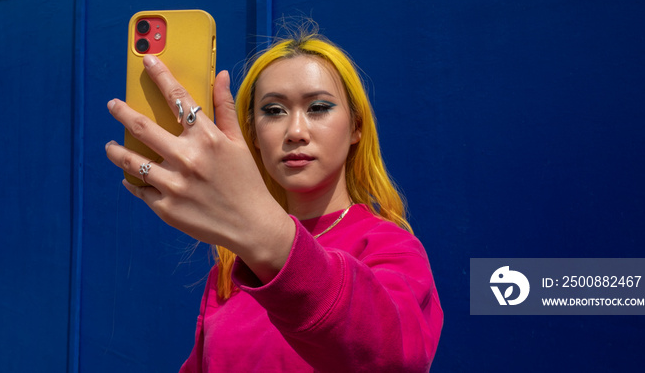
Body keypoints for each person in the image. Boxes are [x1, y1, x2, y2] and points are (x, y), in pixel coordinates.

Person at [105, 24, 443, 372]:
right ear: (253, 130)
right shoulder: (232, 268)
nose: (296, 132)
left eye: (319, 107)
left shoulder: (389, 247)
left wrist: (265, 235)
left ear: (356, 126)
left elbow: (395, 356)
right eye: (273, 111)